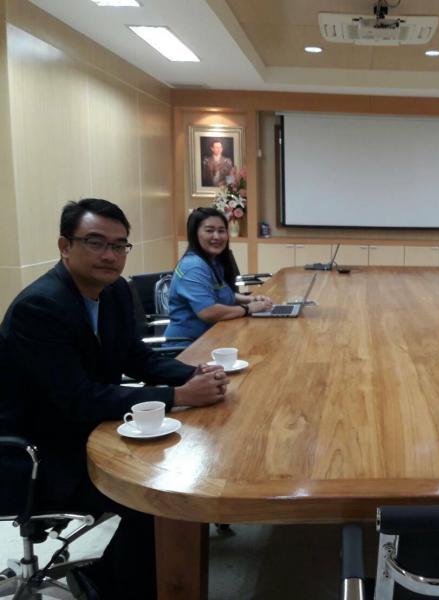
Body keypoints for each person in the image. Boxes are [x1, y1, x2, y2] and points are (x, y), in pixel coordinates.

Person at [0, 198, 231, 599]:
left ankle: (125, 578)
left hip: (91, 427)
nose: (110, 255)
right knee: (156, 497)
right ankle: (115, 585)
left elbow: (135, 357)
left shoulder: (116, 292)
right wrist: (178, 395)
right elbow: (77, 400)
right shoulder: (39, 307)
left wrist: (194, 373)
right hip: (37, 452)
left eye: (119, 245)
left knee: (184, 462)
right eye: (95, 242)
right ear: (65, 246)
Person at [165, 207, 272, 344]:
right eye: (209, 231)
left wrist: (250, 299)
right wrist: (248, 308)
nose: (217, 236)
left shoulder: (212, 261)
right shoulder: (193, 266)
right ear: (195, 234)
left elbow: (220, 293)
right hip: (188, 346)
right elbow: (208, 311)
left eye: (221, 231)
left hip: (214, 338)